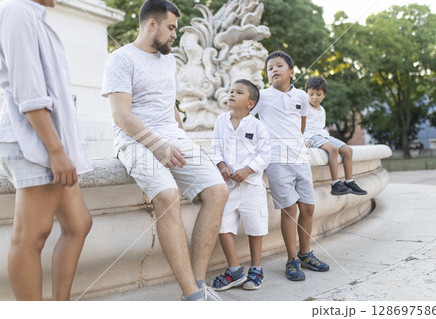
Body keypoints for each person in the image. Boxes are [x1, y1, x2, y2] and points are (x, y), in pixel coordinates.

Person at [101, 0, 229, 301]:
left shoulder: (169, 61)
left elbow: (168, 105)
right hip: (133, 140)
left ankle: (199, 283)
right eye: (171, 27)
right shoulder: (120, 59)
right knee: (168, 195)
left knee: (218, 191)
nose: (175, 35)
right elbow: (121, 114)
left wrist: (181, 138)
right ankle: (192, 297)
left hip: (172, 136)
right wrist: (157, 144)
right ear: (151, 24)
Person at [0, 0, 92, 300]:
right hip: (33, 139)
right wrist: (55, 150)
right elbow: (27, 91)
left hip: (50, 139)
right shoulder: (16, 10)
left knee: (78, 224)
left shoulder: (35, 15)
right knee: (30, 238)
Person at [251, 51, 329, 282]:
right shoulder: (262, 97)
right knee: (290, 210)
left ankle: (305, 253)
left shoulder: (302, 98)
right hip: (276, 161)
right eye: (270, 68)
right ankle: (292, 259)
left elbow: (301, 125)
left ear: (291, 72)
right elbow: (245, 118)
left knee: (308, 208)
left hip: (300, 159)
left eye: (279, 66)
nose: (274, 70)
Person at [210, 79, 271, 291]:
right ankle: (235, 270)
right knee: (223, 226)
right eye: (231, 91)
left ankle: (256, 268)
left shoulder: (257, 126)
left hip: (251, 187)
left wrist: (247, 170)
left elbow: (265, 154)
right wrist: (221, 165)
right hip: (227, 187)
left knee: (255, 227)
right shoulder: (220, 121)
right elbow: (215, 147)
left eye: (238, 92)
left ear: (250, 104)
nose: (231, 94)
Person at [304, 76, 367, 196]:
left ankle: (349, 181)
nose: (314, 97)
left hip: (323, 135)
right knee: (333, 149)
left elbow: (321, 128)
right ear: (306, 93)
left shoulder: (322, 109)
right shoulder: (304, 107)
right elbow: (297, 125)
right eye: (311, 94)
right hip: (310, 136)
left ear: (324, 95)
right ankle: (336, 184)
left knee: (348, 150)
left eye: (318, 94)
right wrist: (302, 140)